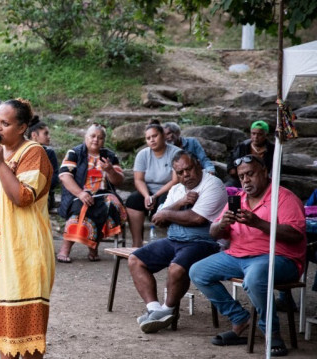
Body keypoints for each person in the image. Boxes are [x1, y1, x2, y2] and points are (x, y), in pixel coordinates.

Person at [189, 154, 306, 356]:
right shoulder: (238, 199)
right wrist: (221, 224)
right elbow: (214, 233)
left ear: (265, 172)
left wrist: (258, 223)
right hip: (237, 255)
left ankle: (271, 332)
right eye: (242, 177)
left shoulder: (284, 197)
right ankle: (240, 318)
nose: (245, 180)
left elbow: (296, 235)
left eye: (250, 174)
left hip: (279, 258)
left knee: (254, 278)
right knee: (198, 271)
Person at [0, 98, 55, 359]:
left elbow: (22, 197)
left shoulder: (34, 153)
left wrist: (2, 163)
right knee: (6, 340)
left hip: (26, 253)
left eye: (6, 123)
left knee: (29, 343)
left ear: (22, 127)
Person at [129, 151, 227, 333]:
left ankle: (168, 310)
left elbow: (197, 218)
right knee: (135, 260)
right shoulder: (177, 190)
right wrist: (179, 203)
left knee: (177, 268)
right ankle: (155, 310)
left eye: (188, 169)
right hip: (174, 239)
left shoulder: (213, 184)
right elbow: (158, 219)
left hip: (204, 242)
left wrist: (167, 213)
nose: (185, 175)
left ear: (198, 164)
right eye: (180, 173)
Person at [56, 124, 127, 262]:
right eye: (93, 136)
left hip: (104, 194)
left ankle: (93, 245)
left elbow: (118, 181)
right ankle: (65, 249)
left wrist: (110, 170)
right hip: (77, 194)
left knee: (111, 206)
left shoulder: (110, 156)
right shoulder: (75, 153)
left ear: (104, 141)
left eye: (100, 138)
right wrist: (81, 193)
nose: (96, 140)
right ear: (85, 137)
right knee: (82, 207)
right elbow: (64, 176)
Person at [125, 120, 180, 247]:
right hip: (148, 190)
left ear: (163, 136)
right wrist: (146, 196)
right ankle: (137, 243)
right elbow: (138, 179)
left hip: (169, 189)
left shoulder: (175, 153)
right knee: (133, 201)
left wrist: (155, 196)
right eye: (148, 138)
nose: (152, 140)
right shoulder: (142, 154)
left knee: (165, 201)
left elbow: (175, 180)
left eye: (155, 136)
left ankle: (169, 244)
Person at [225, 120, 274, 187]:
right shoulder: (242, 146)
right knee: (227, 188)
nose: (256, 137)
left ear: (266, 135)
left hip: (261, 181)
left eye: (259, 134)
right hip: (240, 179)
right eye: (253, 134)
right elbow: (231, 158)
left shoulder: (272, 149)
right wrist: (232, 169)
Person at [27, 120, 59, 210]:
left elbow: (55, 177)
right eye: (45, 134)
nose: (49, 137)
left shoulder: (49, 153)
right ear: (34, 135)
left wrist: (39, 188)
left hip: (44, 196)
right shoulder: (23, 152)